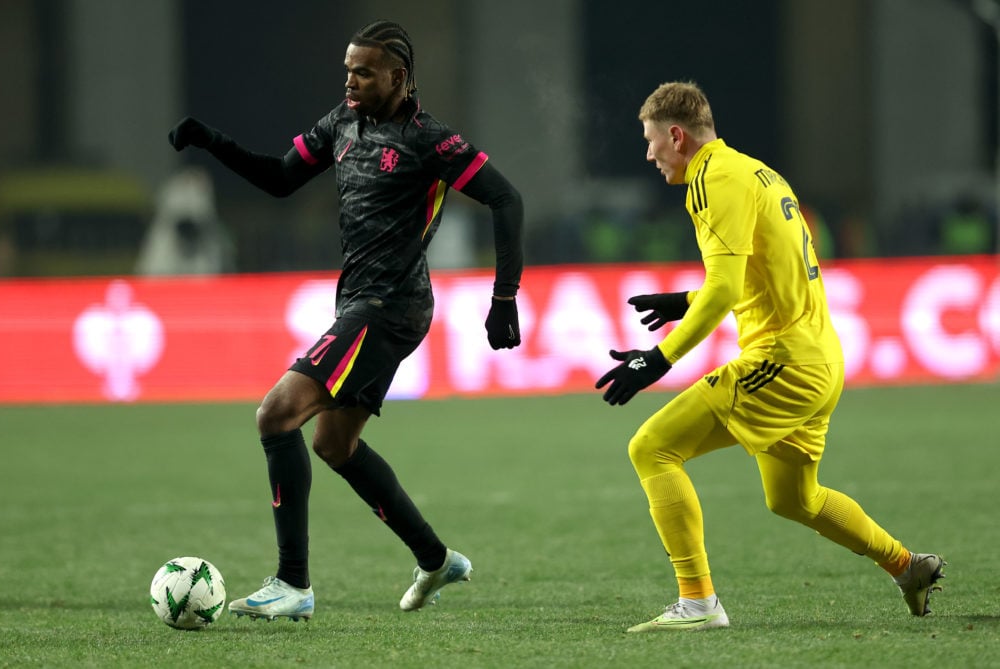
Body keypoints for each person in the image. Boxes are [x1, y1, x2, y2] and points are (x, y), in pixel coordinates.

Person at [168, 20, 523, 621]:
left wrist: (504, 296)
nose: (351, 80)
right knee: (334, 443)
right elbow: (280, 178)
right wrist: (212, 140)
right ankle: (436, 560)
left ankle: (293, 583)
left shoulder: (428, 140)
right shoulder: (342, 122)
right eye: (348, 69)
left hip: (390, 306)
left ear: (400, 76)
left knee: (276, 414)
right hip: (358, 302)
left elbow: (505, 198)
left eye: (364, 71)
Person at [594, 81, 943, 632]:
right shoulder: (757, 172)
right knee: (793, 499)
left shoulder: (711, 179)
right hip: (821, 359)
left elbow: (726, 289)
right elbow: (761, 275)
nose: (649, 153)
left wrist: (656, 359)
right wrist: (686, 301)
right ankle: (906, 566)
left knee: (652, 448)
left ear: (676, 135)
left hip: (781, 361)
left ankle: (698, 604)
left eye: (651, 139)